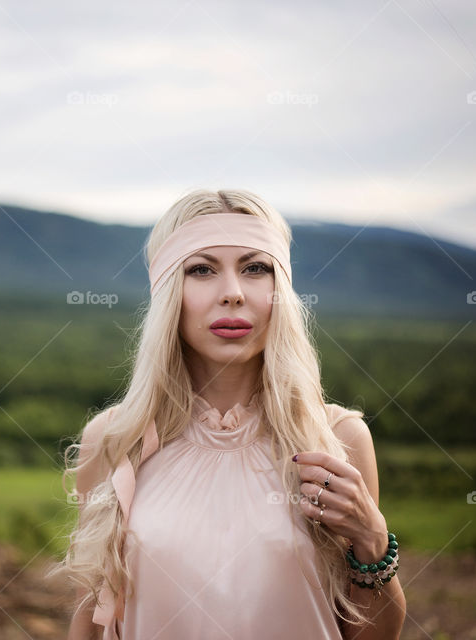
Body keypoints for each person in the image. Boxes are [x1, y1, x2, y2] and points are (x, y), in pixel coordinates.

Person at [53, 190, 407, 639]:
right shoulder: (113, 441)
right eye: (201, 270)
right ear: (167, 293)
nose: (233, 294)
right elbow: (89, 619)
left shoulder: (337, 438)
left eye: (255, 268)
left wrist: (373, 541)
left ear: (280, 288)